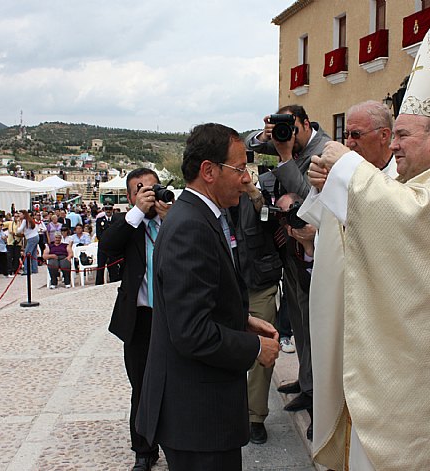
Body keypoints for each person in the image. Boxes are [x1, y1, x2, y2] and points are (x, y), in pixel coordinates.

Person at [306, 31, 430, 470]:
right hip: (408, 362)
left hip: (428, 376)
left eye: (402, 135)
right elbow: (385, 217)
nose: (393, 145)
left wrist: (344, 163)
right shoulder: (419, 183)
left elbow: (402, 216)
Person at [136, 123, 280, 471]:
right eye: (240, 167)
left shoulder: (201, 216)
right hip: (197, 418)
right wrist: (255, 349)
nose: (247, 178)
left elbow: (196, 298)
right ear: (209, 171)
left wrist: (242, 319)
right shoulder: (190, 226)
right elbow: (191, 332)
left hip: (201, 414)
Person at [299, 100, 397, 468]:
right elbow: (319, 226)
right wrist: (318, 188)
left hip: (374, 313)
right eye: (346, 135)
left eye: (356, 135)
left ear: (384, 136)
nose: (349, 143)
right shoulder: (344, 172)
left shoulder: (399, 184)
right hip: (336, 302)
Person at [246, 105, 331, 416]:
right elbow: (249, 144)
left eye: (290, 127)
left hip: (314, 249)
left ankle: (319, 392)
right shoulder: (289, 139)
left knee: (313, 322)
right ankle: (306, 380)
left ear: (306, 124)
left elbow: (311, 192)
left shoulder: (324, 150)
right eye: (281, 128)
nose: (285, 134)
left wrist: (283, 158)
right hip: (290, 248)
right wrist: (263, 134)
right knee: (296, 318)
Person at [100, 168, 172, 471]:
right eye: (140, 189)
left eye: (152, 187)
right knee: (141, 386)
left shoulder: (174, 218)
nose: (147, 193)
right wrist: (136, 213)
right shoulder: (126, 225)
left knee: (176, 385)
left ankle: (178, 443)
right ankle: (144, 450)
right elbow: (107, 248)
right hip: (140, 319)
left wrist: (167, 217)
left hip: (173, 317)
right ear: (130, 197)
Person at [227, 180, 283, 445]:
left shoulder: (256, 200)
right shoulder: (213, 206)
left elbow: (271, 221)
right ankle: (230, 409)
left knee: (264, 349)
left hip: (259, 286)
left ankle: (255, 417)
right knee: (227, 351)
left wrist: (252, 191)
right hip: (226, 290)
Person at [95, 205, 120, 285]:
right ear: (104, 210)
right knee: (101, 266)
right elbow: (99, 234)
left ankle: (114, 281)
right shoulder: (99, 220)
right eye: (106, 209)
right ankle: (99, 283)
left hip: (113, 247)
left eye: (110, 209)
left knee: (113, 266)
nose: (108, 211)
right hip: (103, 247)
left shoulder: (116, 220)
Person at [17, 210, 39, 275]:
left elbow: (19, 230)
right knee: (34, 254)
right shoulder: (30, 220)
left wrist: (18, 223)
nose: (19, 215)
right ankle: (34, 269)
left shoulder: (24, 221)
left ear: (23, 215)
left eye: (20, 214)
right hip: (36, 236)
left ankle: (27, 270)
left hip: (31, 238)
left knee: (27, 254)